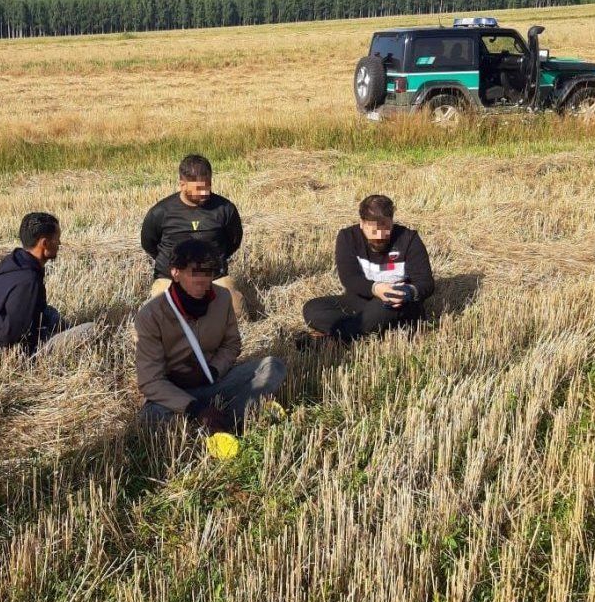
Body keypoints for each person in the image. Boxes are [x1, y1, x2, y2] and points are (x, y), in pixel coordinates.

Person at [135, 239, 286, 432]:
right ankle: (228, 415)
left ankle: (222, 421)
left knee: (273, 366)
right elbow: (150, 381)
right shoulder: (151, 315)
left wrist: (213, 371)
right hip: (175, 390)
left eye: (209, 273)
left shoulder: (223, 298)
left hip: (215, 380)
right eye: (194, 273)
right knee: (152, 417)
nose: (203, 281)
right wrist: (193, 407)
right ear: (175, 273)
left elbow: (231, 344)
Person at [302, 194, 434, 343]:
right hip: (361, 300)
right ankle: (363, 332)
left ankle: (334, 339)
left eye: (385, 230)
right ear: (362, 223)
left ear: (392, 221)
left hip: (396, 304)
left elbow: (426, 283)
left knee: (381, 309)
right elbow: (349, 278)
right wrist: (376, 289)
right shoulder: (347, 237)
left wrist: (407, 292)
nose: (379, 236)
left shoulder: (409, 239)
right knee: (312, 309)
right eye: (373, 231)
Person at [141, 154, 246, 318]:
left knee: (236, 312)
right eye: (199, 188)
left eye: (208, 186)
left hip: (214, 277)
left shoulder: (225, 209)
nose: (205, 192)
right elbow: (149, 244)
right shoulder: (161, 212)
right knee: (161, 318)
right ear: (182, 185)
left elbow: (233, 241)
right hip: (171, 279)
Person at [0, 212, 94, 354]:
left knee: (50, 313)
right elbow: (13, 333)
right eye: (57, 239)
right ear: (44, 243)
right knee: (92, 329)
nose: (59, 243)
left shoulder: (14, 261)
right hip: (6, 350)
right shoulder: (28, 281)